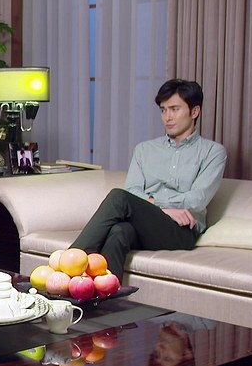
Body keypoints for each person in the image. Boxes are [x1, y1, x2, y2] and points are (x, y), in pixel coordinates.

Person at [70, 79, 227, 276]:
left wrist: (156, 205)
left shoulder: (213, 152)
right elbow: (133, 190)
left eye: (174, 109)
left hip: (183, 231)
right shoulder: (144, 150)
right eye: (163, 110)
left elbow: (197, 199)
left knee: (118, 197)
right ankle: (106, 292)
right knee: (119, 232)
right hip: (146, 226)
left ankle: (68, 264)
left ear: (195, 111)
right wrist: (164, 209)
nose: (167, 117)